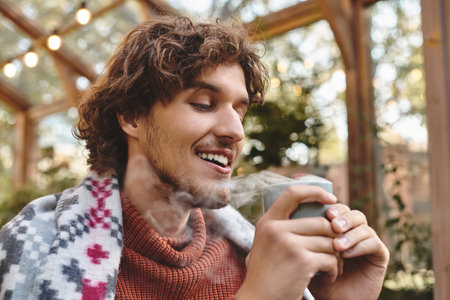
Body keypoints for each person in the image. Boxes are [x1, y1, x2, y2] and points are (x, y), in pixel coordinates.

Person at [0, 15, 389, 300]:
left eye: (240, 110)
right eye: (204, 103)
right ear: (132, 116)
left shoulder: (253, 259)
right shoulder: (33, 243)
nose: (235, 130)